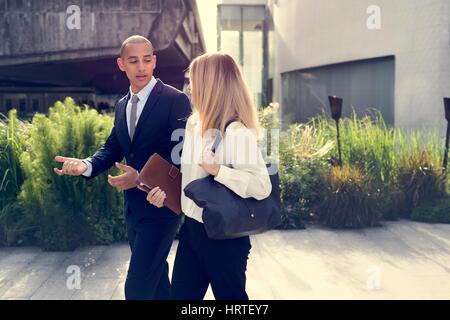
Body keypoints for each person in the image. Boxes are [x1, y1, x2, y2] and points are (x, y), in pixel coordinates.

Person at [53, 35, 191, 300]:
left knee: (137, 287)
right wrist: (85, 165)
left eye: (147, 60)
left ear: (154, 62)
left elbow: (181, 157)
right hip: (133, 209)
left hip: (161, 208)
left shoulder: (175, 100)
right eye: (133, 61)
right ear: (121, 64)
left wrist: (140, 178)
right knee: (157, 281)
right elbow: (112, 146)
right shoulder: (122, 105)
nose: (141, 67)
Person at [147, 53, 272, 300]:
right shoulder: (195, 124)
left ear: (211, 85)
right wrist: (164, 195)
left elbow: (262, 186)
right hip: (192, 230)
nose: (189, 88)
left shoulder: (237, 133)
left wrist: (219, 171)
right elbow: (191, 180)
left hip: (225, 237)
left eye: (193, 81)